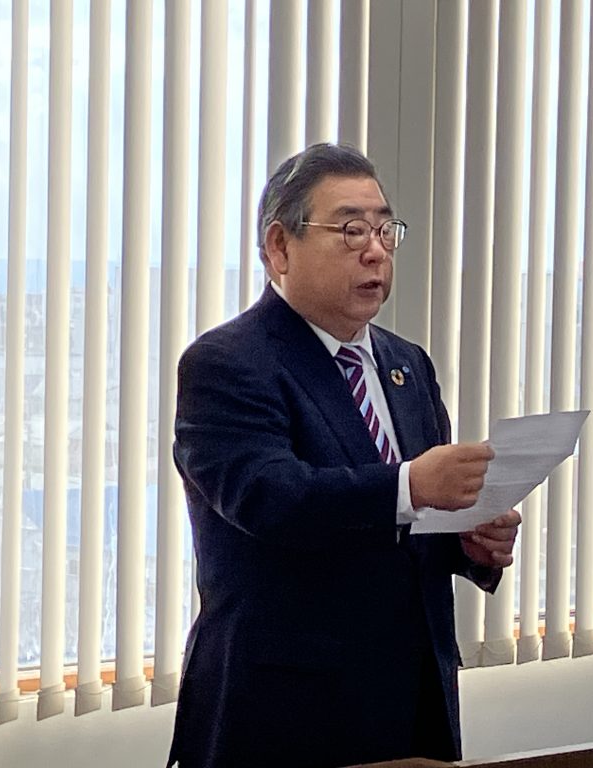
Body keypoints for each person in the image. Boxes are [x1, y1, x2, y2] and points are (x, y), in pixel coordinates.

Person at [168, 143, 521, 768]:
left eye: (385, 230)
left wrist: (467, 542)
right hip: (286, 713)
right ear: (280, 247)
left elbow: (407, 528)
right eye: (352, 230)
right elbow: (272, 499)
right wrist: (412, 484)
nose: (376, 250)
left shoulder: (407, 363)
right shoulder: (227, 363)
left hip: (412, 702)